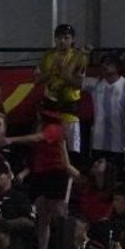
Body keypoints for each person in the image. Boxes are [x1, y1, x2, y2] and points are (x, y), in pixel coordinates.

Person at [35, 24, 87, 155]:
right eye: (59, 38)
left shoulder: (79, 57)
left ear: (72, 39)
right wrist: (52, 71)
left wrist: (64, 73)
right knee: (49, 148)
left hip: (70, 109)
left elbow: (79, 83)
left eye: (66, 38)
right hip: (50, 108)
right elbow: (37, 80)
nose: (62, 41)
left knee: (72, 150)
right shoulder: (48, 55)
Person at [87, 51, 125, 167]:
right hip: (99, 144)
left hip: (122, 144)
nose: (105, 66)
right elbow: (72, 79)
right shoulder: (95, 84)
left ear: (118, 66)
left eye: (109, 63)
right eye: (103, 63)